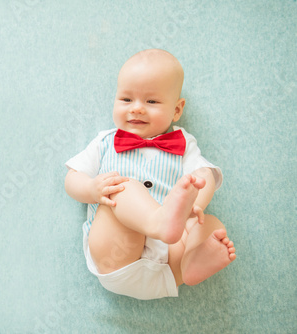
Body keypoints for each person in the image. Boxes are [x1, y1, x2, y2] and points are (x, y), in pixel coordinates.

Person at [64, 49, 236, 300]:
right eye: (126, 99)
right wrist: (92, 189)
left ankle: (192, 261)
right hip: (117, 256)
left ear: (177, 110)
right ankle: (159, 222)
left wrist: (195, 205)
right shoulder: (105, 141)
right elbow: (72, 178)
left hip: (170, 265)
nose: (137, 109)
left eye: (151, 102)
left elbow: (205, 175)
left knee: (209, 225)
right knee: (122, 188)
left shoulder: (184, 143)